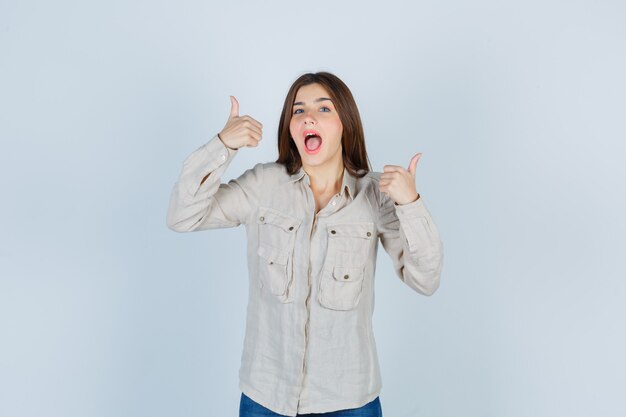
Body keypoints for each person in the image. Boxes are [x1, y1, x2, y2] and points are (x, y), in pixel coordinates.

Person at [166, 72, 444, 417]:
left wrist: (410, 203)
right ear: (290, 127)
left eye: (323, 108)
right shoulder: (264, 185)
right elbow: (182, 216)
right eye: (298, 111)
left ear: (346, 124)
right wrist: (222, 145)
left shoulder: (376, 195)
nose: (308, 116)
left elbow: (425, 279)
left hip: (349, 400)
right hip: (266, 398)